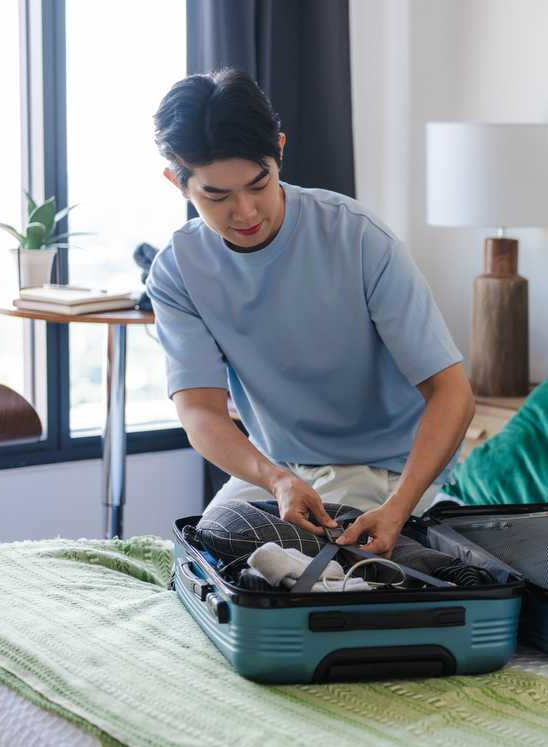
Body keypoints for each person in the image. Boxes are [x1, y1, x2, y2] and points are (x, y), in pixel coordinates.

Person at [146, 68, 473, 556]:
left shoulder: (358, 237)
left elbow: (452, 393)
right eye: (216, 196)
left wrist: (400, 505)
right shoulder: (177, 271)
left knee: (291, 570)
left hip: (388, 473)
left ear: (278, 150)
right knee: (208, 550)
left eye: (259, 184)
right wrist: (274, 479)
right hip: (282, 471)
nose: (246, 212)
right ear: (178, 182)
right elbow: (198, 410)